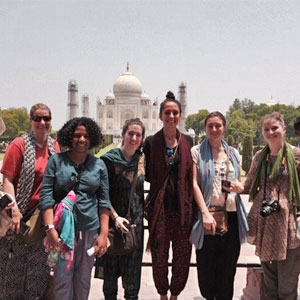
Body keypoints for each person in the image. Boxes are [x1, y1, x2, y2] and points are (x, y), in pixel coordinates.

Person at [39, 117, 111, 300]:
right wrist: (50, 230)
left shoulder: (98, 165)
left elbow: (104, 202)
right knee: (62, 281)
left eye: (86, 136)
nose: (81, 140)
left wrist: (103, 235)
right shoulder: (57, 161)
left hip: (89, 230)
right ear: (69, 137)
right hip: (62, 231)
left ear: (92, 138)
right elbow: (46, 198)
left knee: (83, 280)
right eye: (77, 135)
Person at [0, 103, 60, 300]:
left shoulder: (54, 147)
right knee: (13, 273)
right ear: (31, 121)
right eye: (37, 118)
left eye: (46, 118)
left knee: (37, 275)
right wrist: (14, 209)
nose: (42, 122)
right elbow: (7, 179)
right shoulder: (19, 144)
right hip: (19, 219)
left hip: (41, 220)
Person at [189, 111, 248, 300]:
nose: (214, 129)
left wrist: (240, 187)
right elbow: (194, 184)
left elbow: (239, 183)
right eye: (210, 126)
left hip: (231, 216)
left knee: (227, 270)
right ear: (205, 128)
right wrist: (204, 213)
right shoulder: (197, 151)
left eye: (218, 125)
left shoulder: (234, 153)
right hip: (208, 215)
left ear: (224, 127)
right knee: (206, 271)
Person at [143, 91, 194, 300]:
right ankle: (162, 293)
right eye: (167, 112)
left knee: (182, 255)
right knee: (160, 255)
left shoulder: (188, 142)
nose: (171, 116)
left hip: (183, 209)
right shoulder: (150, 142)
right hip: (160, 210)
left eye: (175, 113)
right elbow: (147, 175)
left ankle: (175, 294)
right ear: (160, 115)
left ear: (180, 116)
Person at [244, 112, 300, 300]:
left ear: (284, 129)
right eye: (266, 129)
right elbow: (248, 184)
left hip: (289, 225)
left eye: (274, 128)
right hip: (266, 224)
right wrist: (233, 186)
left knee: (288, 285)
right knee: (270, 285)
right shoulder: (260, 156)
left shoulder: (297, 155)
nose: (271, 132)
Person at [100, 118, 145, 300]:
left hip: (135, 226)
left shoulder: (141, 161)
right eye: (130, 133)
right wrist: (116, 217)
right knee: (110, 281)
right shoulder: (109, 161)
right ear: (123, 134)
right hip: (111, 224)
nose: (134, 138)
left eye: (138, 135)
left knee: (132, 282)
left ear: (142, 138)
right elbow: (102, 194)